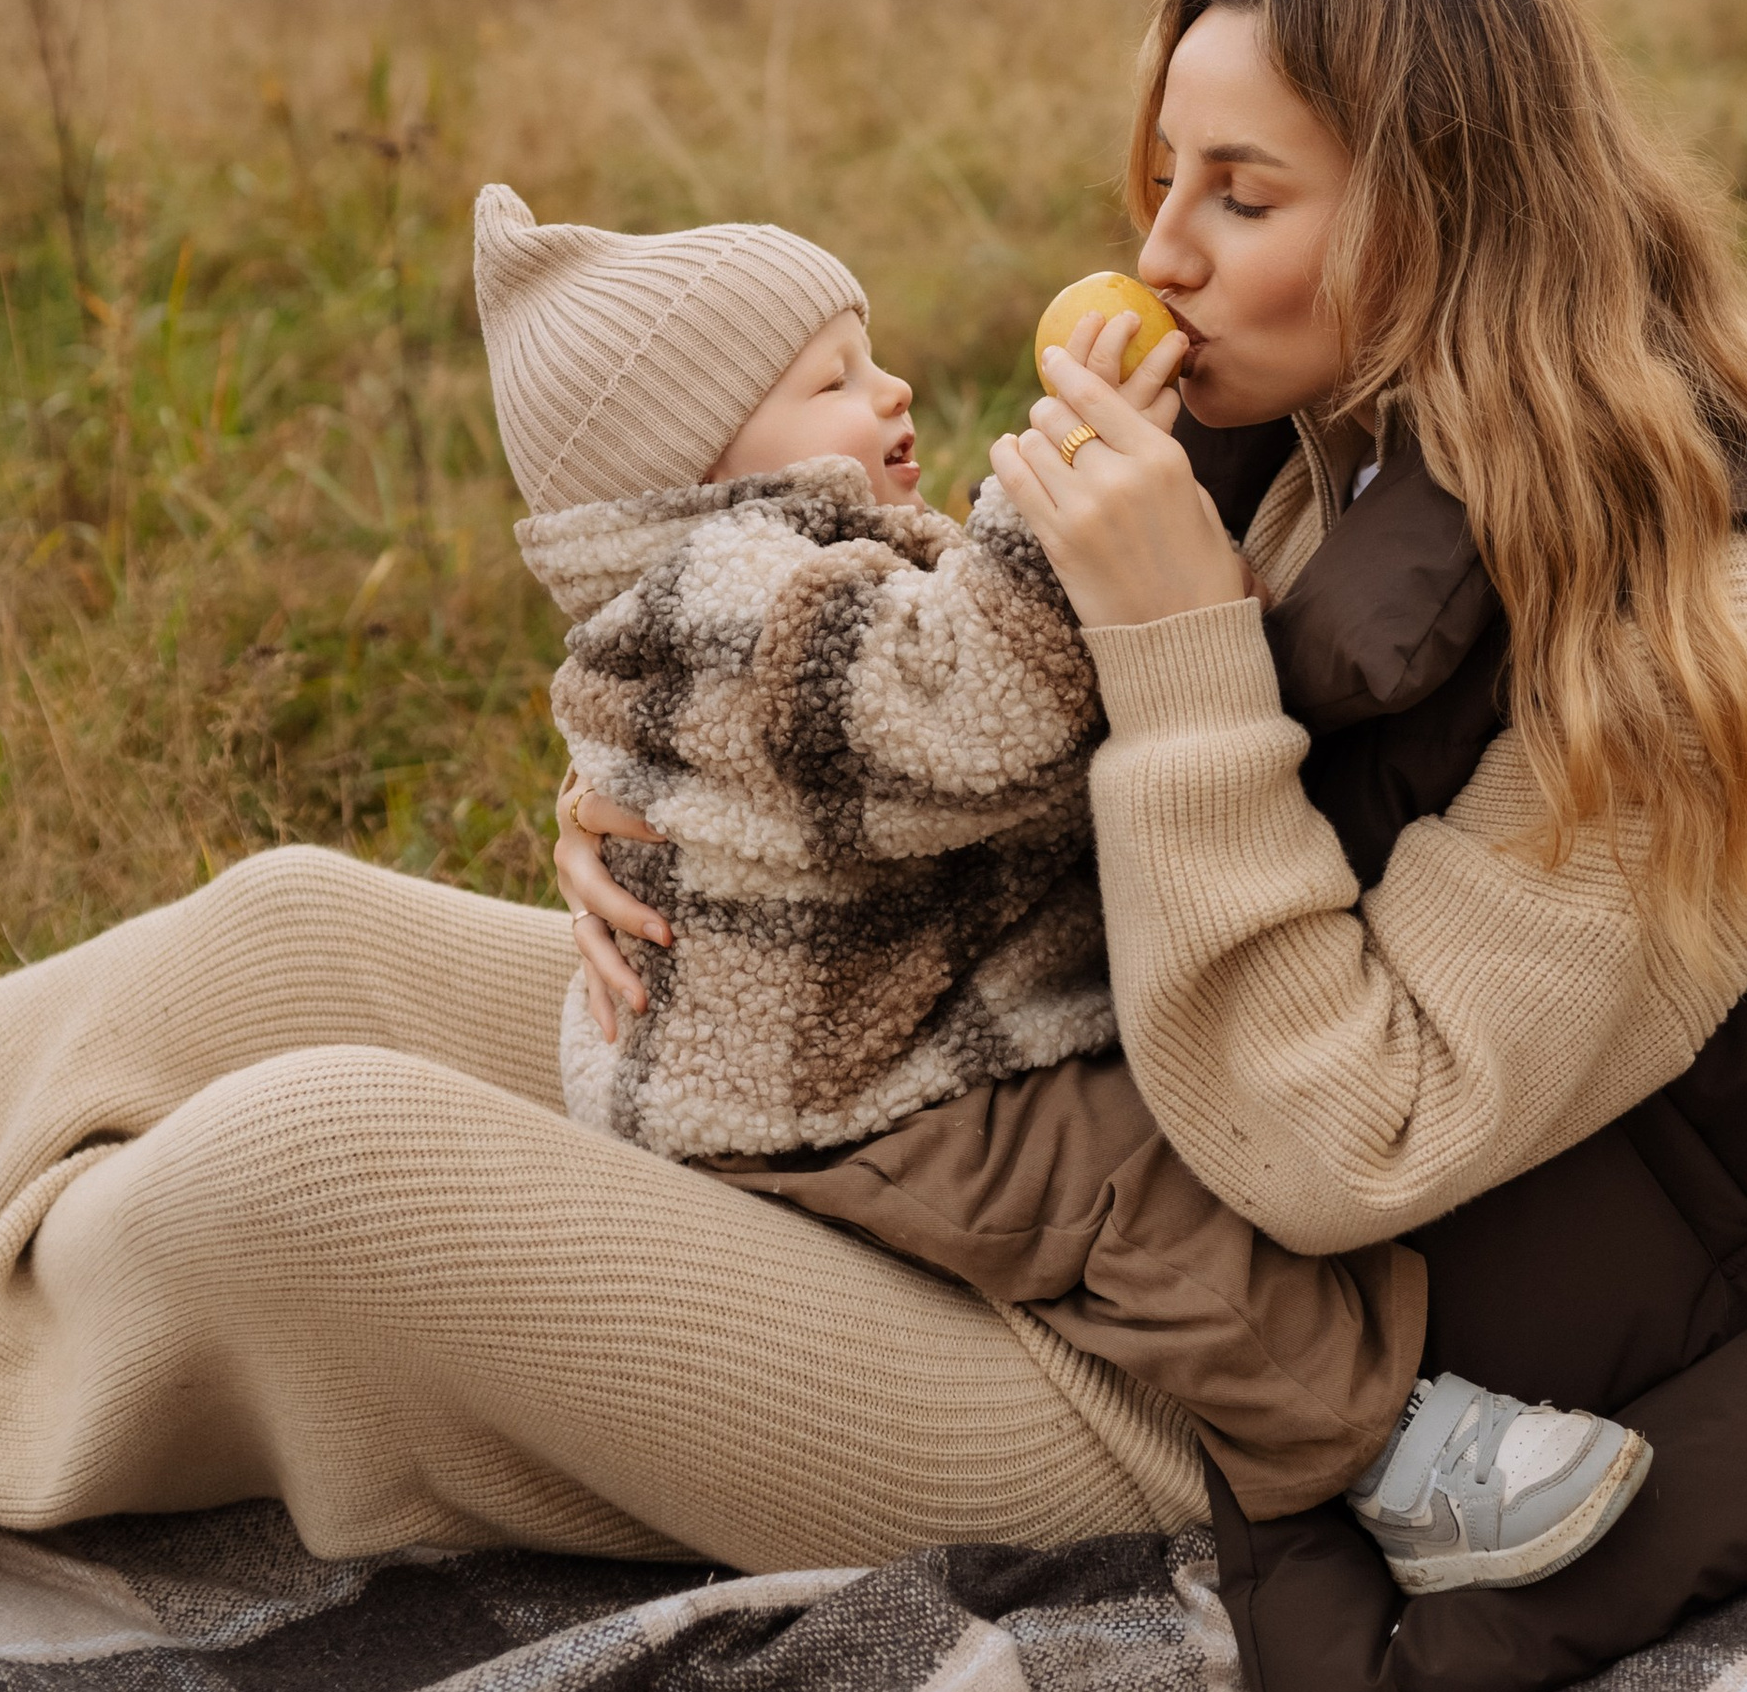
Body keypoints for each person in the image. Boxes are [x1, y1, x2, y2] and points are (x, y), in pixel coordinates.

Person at [0, 0, 1747, 1692]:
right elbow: (888, 699)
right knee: (287, 935)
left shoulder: (1697, 627)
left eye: (1241, 193)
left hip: (1237, 1374)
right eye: (1162, 179)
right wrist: (676, 796)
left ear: (1443, 213)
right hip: (1017, 1105)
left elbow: (1340, 1146)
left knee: (312, 1171)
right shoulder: (1308, 438)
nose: (1160, 252)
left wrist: (1174, 651)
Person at [476, 178, 1648, 1595]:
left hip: (866, 1018)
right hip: (843, 1085)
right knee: (1123, 1199)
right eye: (832, 381)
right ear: (691, 472)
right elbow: (961, 710)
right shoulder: (730, 593)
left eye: (868, 356)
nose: (893, 389)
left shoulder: (766, 570)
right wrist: (1061, 513)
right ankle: (1394, 1460)